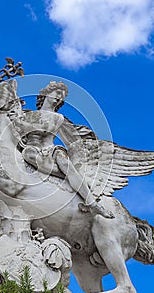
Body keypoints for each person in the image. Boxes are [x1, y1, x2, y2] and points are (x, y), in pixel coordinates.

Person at [12, 81, 113, 219]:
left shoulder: (58, 118)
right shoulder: (28, 114)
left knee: (64, 163)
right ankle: (67, 178)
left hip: (50, 152)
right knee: (28, 154)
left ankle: (92, 203)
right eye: (58, 93)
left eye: (63, 97)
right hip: (30, 149)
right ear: (46, 93)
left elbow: (70, 138)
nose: (60, 97)